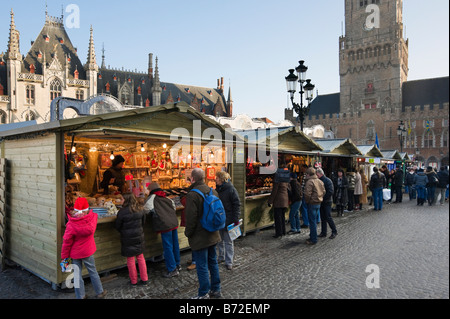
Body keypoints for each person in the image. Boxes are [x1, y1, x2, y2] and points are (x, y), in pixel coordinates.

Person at [184, 168, 221, 299]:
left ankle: (203, 293)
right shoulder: (213, 191)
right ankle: (216, 290)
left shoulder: (192, 195)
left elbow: (191, 218)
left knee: (202, 265)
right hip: (213, 233)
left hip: (200, 236)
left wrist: (188, 233)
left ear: (193, 179)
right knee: (213, 262)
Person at [61, 197, 107, 299]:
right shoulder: (93, 218)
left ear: (75, 210)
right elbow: (91, 215)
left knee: (77, 275)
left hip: (75, 254)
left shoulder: (71, 224)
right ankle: (100, 292)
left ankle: (80, 296)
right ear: (87, 209)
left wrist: (64, 256)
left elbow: (66, 242)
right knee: (93, 271)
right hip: (88, 251)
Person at [144, 182, 181, 278]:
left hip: (164, 224)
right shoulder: (167, 197)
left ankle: (172, 269)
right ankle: (177, 264)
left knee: (168, 247)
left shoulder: (152, 198)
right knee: (175, 244)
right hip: (173, 222)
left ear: (150, 190)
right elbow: (173, 207)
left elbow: (146, 209)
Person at [115, 193, 148, 286]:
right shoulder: (140, 209)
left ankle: (134, 281)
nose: (120, 201)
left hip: (127, 238)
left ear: (126, 200)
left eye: (122, 199)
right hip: (139, 236)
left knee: (130, 259)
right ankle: (144, 279)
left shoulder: (122, 212)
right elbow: (143, 222)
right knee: (140, 257)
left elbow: (117, 226)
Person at [215, 171, 241, 270]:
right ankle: (221, 257)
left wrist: (235, 219)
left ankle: (229, 261)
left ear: (221, 179)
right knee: (220, 240)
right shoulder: (218, 189)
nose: (215, 179)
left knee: (228, 241)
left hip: (229, 219)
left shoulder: (231, 189)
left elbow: (237, 204)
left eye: (217, 178)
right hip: (220, 218)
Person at [303, 167, 325, 245]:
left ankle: (313, 239)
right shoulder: (319, 181)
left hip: (312, 203)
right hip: (318, 203)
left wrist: (308, 201)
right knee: (314, 221)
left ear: (308, 174)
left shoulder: (310, 182)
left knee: (312, 222)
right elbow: (324, 191)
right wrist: (320, 198)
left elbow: (307, 194)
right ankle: (313, 236)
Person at [268, 167, 290, 239]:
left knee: (278, 217)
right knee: (282, 216)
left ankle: (279, 233)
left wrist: (270, 201)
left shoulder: (277, 180)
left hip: (278, 201)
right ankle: (283, 231)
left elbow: (274, 191)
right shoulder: (286, 179)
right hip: (285, 200)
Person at [317, 168, 337, 239]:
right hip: (322, 201)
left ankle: (334, 231)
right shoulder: (320, 180)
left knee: (328, 217)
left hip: (327, 201)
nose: (317, 176)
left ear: (320, 174)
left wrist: (323, 198)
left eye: (317, 174)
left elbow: (330, 191)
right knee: (323, 218)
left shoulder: (327, 181)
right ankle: (323, 232)